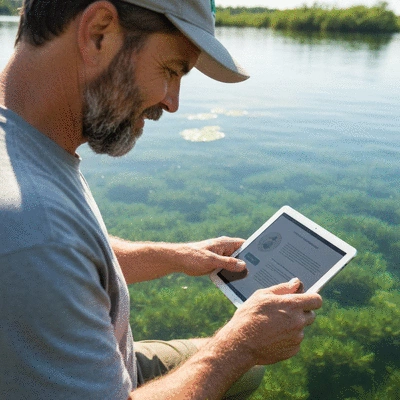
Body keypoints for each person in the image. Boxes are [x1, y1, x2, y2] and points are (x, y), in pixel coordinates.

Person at [0, 0, 323, 399]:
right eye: (171, 70)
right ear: (98, 32)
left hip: (105, 360)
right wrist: (237, 348)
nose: (172, 102)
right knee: (244, 365)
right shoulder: (34, 227)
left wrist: (177, 255)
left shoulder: (26, 146)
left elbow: (71, 259)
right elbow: (48, 249)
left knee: (248, 373)